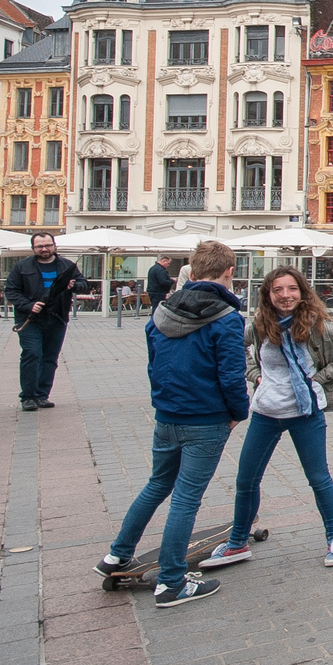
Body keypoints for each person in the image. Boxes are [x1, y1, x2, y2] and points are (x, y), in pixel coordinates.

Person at [94, 241, 249, 607]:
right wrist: (237, 413)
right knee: (186, 497)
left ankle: (116, 555)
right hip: (206, 417)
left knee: (157, 484)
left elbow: (153, 365)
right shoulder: (227, 318)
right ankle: (171, 581)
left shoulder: (161, 313)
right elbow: (231, 375)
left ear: (191, 273)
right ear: (230, 272)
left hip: (167, 415)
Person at [203, 266, 333, 571]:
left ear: (302, 292)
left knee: (318, 479)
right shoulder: (258, 327)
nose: (285, 295)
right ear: (268, 295)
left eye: (292, 289)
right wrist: (254, 375)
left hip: (305, 412)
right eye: (278, 290)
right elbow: (234, 349)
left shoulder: (317, 325)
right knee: (246, 480)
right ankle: (238, 542)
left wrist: (321, 377)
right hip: (266, 412)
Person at [3, 232, 93, 411]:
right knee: (32, 354)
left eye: (47, 245)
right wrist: (29, 305)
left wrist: (74, 285)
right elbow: (11, 291)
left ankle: (42, 395)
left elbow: (84, 285)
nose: (44, 249)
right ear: (33, 248)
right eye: (39, 246)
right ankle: (28, 397)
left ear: (54, 245)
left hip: (57, 317)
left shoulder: (66, 265)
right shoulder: (22, 266)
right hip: (30, 319)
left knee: (50, 358)